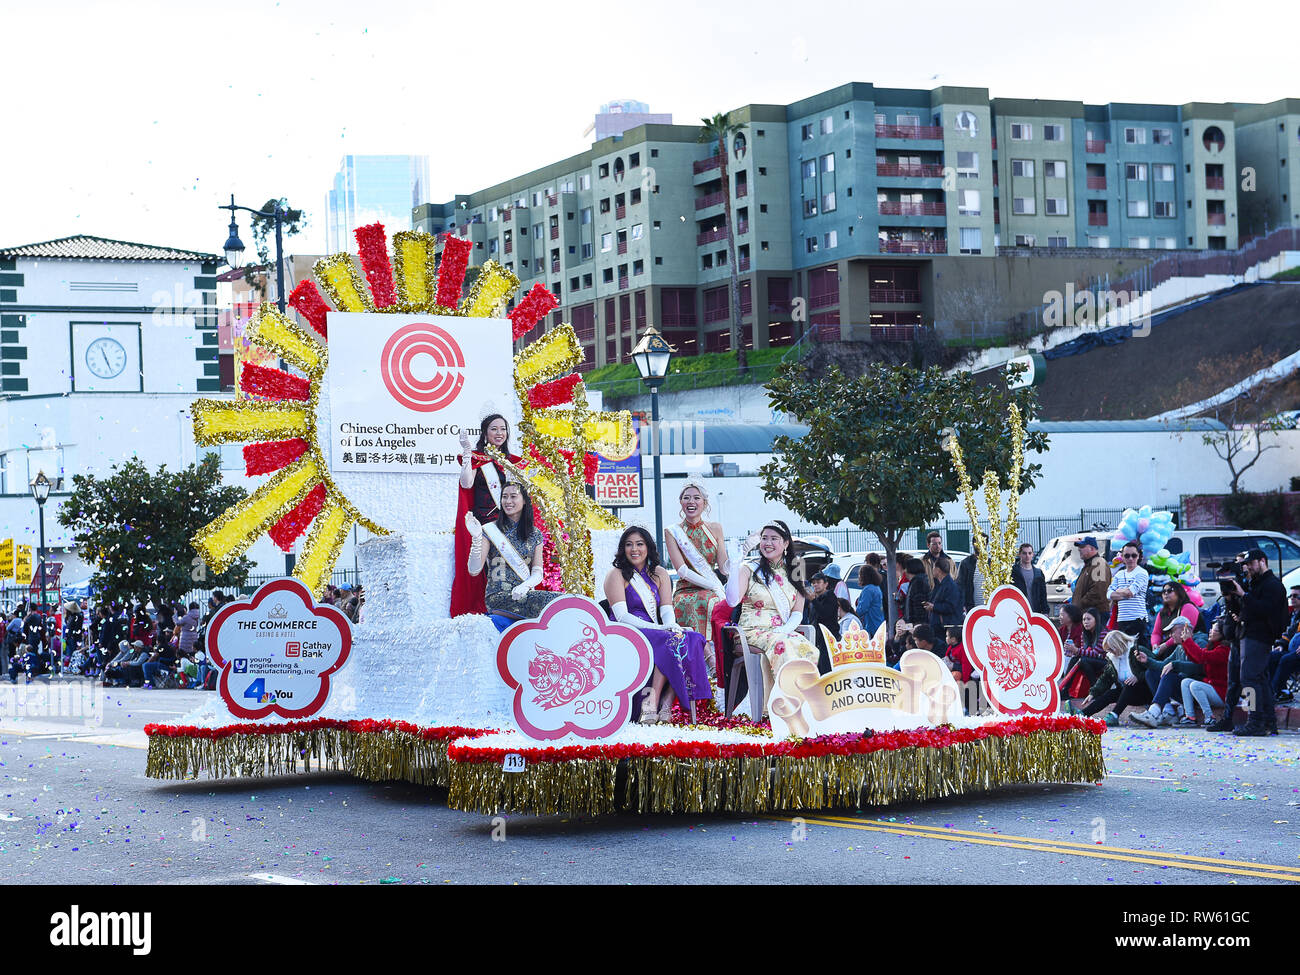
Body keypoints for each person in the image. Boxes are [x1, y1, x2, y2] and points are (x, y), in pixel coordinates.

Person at [604, 526, 711, 723]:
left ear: (648, 547)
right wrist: (662, 628)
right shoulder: (616, 575)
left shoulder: (659, 573)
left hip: (655, 630)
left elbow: (666, 610)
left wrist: (671, 625)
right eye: (629, 545)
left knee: (692, 637)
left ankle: (666, 703)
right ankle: (651, 702)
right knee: (668, 641)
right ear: (622, 549)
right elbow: (621, 616)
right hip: (628, 630)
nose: (634, 549)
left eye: (639, 544)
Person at [725, 520, 820, 713]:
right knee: (782, 645)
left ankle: (806, 704)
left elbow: (797, 612)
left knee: (807, 648)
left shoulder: (795, 569)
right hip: (752, 632)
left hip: (780, 631)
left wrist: (785, 629)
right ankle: (784, 708)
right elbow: (732, 600)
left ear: (786, 544)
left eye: (774, 538)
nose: (767, 543)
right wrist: (735, 566)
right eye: (764, 538)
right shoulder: (749, 569)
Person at [451, 414, 524, 618]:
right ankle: (486, 608)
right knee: (484, 568)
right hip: (484, 523)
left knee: (509, 566)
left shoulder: (510, 462)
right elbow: (466, 484)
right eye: (494, 429)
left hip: (508, 522)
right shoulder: (477, 458)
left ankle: (510, 606)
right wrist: (467, 454)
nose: (499, 433)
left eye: (503, 429)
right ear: (485, 433)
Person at [466, 480, 561, 621]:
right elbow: (474, 570)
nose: (508, 501)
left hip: (525, 594)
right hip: (498, 597)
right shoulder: (489, 530)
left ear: (524, 501)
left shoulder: (535, 534)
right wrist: (476, 539)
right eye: (504, 496)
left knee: (560, 601)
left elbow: (537, 572)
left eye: (513, 496)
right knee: (552, 601)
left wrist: (526, 586)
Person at [1221, 548, 1289, 736]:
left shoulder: (1272, 585)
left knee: (1249, 679)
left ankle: (1255, 721)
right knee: (1259, 679)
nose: (1248, 567)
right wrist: (1231, 597)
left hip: (1259, 637)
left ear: (1262, 561)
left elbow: (1264, 609)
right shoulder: (1255, 583)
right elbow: (1243, 608)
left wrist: (1244, 594)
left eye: (1251, 563)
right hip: (1248, 635)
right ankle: (1267, 721)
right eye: (1246, 564)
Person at [663, 479, 730, 640]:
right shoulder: (673, 532)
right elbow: (682, 570)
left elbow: (724, 568)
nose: (691, 501)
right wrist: (713, 585)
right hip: (686, 589)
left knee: (713, 601)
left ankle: (717, 653)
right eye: (686, 497)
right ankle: (705, 655)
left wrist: (741, 552)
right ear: (681, 502)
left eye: (696, 497)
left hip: (711, 589)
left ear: (704, 503)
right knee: (690, 602)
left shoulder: (715, 528)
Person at [1078, 630, 1152, 723]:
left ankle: (1115, 715)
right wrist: (1093, 693)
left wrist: (1138, 677)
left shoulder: (1137, 651)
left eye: (1112, 649)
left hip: (1146, 692)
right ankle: (1083, 714)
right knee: (1111, 693)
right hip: (1127, 694)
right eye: (1109, 650)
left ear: (1118, 644)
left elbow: (1154, 669)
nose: (1111, 652)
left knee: (1128, 685)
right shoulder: (1113, 658)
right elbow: (1105, 678)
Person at [1177, 620, 1231, 726]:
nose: (1210, 631)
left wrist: (1188, 641)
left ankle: (1209, 717)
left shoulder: (1224, 650)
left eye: (1214, 629)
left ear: (1222, 633)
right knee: (1185, 682)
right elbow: (1197, 659)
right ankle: (1190, 717)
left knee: (1195, 685)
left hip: (1222, 692)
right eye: (1210, 629)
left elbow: (1202, 656)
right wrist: (1185, 642)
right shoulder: (1212, 646)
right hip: (1212, 688)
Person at [1107, 542, 1149, 646]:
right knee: (1124, 651)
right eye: (1127, 555)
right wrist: (1124, 592)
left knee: (1137, 652)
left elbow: (1130, 592)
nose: (1130, 558)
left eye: (1134, 555)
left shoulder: (1142, 573)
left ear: (1139, 556)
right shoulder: (1119, 574)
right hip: (1122, 619)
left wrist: (1118, 591)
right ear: (1122, 557)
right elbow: (1108, 594)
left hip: (1137, 619)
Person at [1150, 581, 1198, 652]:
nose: (1166, 593)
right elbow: (1156, 633)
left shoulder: (1188, 607)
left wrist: (1165, 645)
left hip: (1187, 648)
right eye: (1163, 591)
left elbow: (1182, 633)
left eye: (1169, 591)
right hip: (1167, 647)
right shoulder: (1162, 612)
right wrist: (1155, 644)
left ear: (1179, 593)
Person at [1071, 536, 1111, 617]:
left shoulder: (1098, 563)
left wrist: (1078, 605)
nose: (1079, 549)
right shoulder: (1090, 564)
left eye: (1082, 547)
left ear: (1092, 549)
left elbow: (1097, 592)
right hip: (1089, 614)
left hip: (1096, 615)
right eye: (1079, 547)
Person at [923, 556, 962, 633]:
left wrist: (934, 607)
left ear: (938, 570)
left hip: (944, 628)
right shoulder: (939, 585)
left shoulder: (951, 586)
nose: (932, 570)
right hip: (937, 626)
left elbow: (950, 606)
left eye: (934, 567)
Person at [1010, 543, 1048, 614]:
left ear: (1033, 554)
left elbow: (1043, 594)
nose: (1027, 556)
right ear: (1019, 554)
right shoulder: (1013, 572)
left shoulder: (1038, 573)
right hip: (1018, 612)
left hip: (1035, 612)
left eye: (1029, 553)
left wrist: (1045, 611)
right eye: (1024, 553)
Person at [855, 565, 885, 635]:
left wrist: (853, 614)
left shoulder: (868, 589)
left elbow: (863, 608)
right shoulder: (876, 587)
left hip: (871, 624)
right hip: (878, 621)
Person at [904, 558, 930, 626]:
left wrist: (916, 624)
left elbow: (919, 605)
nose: (904, 571)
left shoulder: (918, 583)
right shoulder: (918, 581)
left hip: (917, 624)